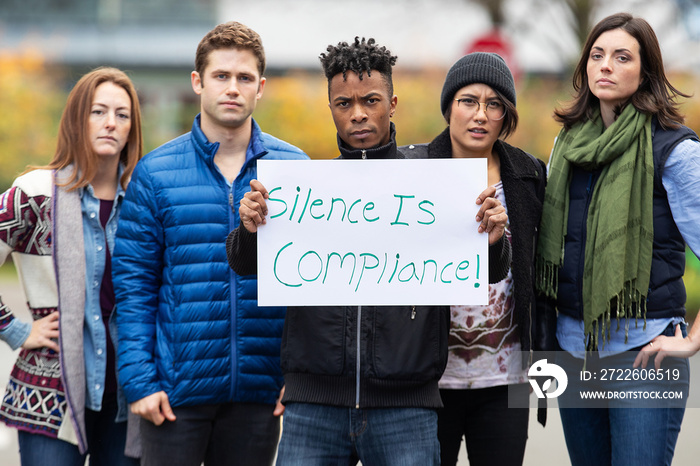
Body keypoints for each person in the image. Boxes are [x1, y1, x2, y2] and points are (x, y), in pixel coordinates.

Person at [226, 37, 511, 466]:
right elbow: (245, 263)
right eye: (344, 103)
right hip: (313, 405)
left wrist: (493, 240)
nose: (358, 113)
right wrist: (249, 228)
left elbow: (487, 271)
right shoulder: (303, 191)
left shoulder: (434, 188)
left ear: (392, 103)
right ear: (331, 108)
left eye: (371, 100)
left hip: (406, 407)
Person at [111, 22, 308, 466]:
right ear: (198, 82)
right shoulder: (156, 173)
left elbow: (309, 292)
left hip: (261, 393)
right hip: (174, 395)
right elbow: (134, 289)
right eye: (221, 76)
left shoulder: (295, 168)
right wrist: (140, 382)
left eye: (244, 78)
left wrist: (298, 376)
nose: (232, 88)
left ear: (261, 87)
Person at [536, 12, 699, 466]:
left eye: (622, 57)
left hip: (643, 354)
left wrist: (690, 341)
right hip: (571, 351)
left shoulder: (675, 151)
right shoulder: (567, 145)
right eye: (597, 55)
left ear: (645, 72)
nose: (605, 65)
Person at [402, 52, 547, 466]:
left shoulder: (529, 175)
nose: (480, 114)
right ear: (449, 106)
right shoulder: (412, 169)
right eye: (468, 101)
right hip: (430, 378)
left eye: (494, 104)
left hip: (508, 378)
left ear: (507, 116)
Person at [0, 67, 142, 465]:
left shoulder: (143, 202)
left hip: (127, 401)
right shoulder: (34, 195)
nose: (111, 123)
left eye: (122, 114)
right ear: (77, 120)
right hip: (48, 399)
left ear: (132, 127)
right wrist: (15, 330)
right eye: (98, 112)